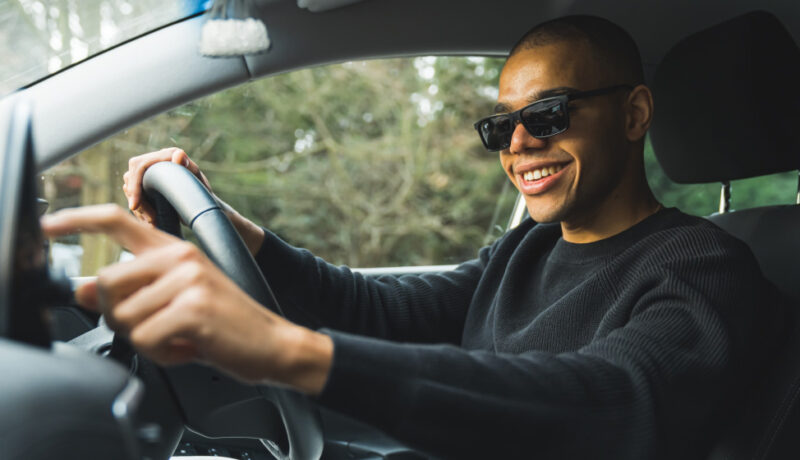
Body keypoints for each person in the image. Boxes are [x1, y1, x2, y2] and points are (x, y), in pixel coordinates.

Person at [42, 15, 784, 459]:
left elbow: (606, 402)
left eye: (550, 114)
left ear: (633, 114)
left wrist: (291, 352)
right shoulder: (528, 250)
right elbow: (381, 310)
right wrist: (229, 230)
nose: (519, 143)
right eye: (501, 125)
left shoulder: (706, 268)